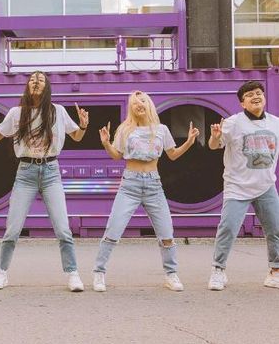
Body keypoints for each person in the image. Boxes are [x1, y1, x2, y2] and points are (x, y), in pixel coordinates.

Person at [0, 71, 89, 292]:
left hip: (51, 171)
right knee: (13, 229)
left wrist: (84, 125)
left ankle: (73, 274)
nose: (35, 82)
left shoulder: (57, 111)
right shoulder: (16, 112)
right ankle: (1, 272)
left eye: (40, 80)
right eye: (32, 80)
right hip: (26, 172)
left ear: (47, 86)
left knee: (63, 228)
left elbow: (77, 136)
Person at [94, 90, 199, 292]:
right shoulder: (125, 129)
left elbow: (173, 154)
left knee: (166, 232)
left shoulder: (161, 129)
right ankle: (99, 273)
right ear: (130, 108)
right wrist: (106, 143)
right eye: (134, 102)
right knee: (113, 230)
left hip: (153, 184)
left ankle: (171, 274)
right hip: (130, 184)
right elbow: (116, 156)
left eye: (142, 101)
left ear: (149, 104)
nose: (139, 104)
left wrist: (189, 141)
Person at [207, 80, 279, 291]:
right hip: (237, 186)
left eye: (258, 93)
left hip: (266, 186)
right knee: (228, 228)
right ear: (242, 103)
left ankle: (275, 270)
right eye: (249, 95)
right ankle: (218, 270)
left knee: (275, 229)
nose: (255, 97)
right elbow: (214, 146)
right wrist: (214, 137)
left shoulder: (275, 123)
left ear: (264, 97)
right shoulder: (232, 123)